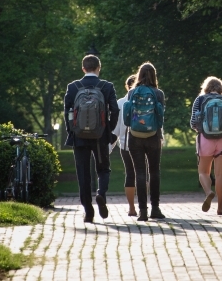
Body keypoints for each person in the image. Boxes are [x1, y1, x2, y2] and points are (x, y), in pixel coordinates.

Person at [64, 54, 120, 223]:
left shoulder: (73, 87)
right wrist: (108, 130)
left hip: (79, 136)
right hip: (100, 136)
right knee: (103, 169)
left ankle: (88, 211)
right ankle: (101, 194)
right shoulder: (106, 86)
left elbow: (67, 112)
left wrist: (72, 131)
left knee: (83, 173)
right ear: (98, 68)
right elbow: (115, 110)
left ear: (83, 69)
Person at [190, 76, 222, 216]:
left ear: (205, 88)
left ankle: (208, 192)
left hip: (205, 139)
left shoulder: (200, 100)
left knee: (203, 172)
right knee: (220, 175)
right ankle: (220, 207)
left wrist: (202, 129)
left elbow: (193, 123)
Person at [126, 62, 166, 221]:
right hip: (153, 136)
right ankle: (155, 208)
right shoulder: (158, 93)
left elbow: (128, 116)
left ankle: (142, 211)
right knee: (154, 171)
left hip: (135, 135)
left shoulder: (132, 92)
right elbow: (161, 116)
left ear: (139, 75)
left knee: (139, 173)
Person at [113, 74, 138, 216]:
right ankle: (143, 206)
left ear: (126, 86)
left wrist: (110, 146)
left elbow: (115, 129)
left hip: (125, 144)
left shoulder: (120, 103)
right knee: (143, 174)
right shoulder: (145, 100)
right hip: (144, 142)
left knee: (130, 173)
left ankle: (131, 208)